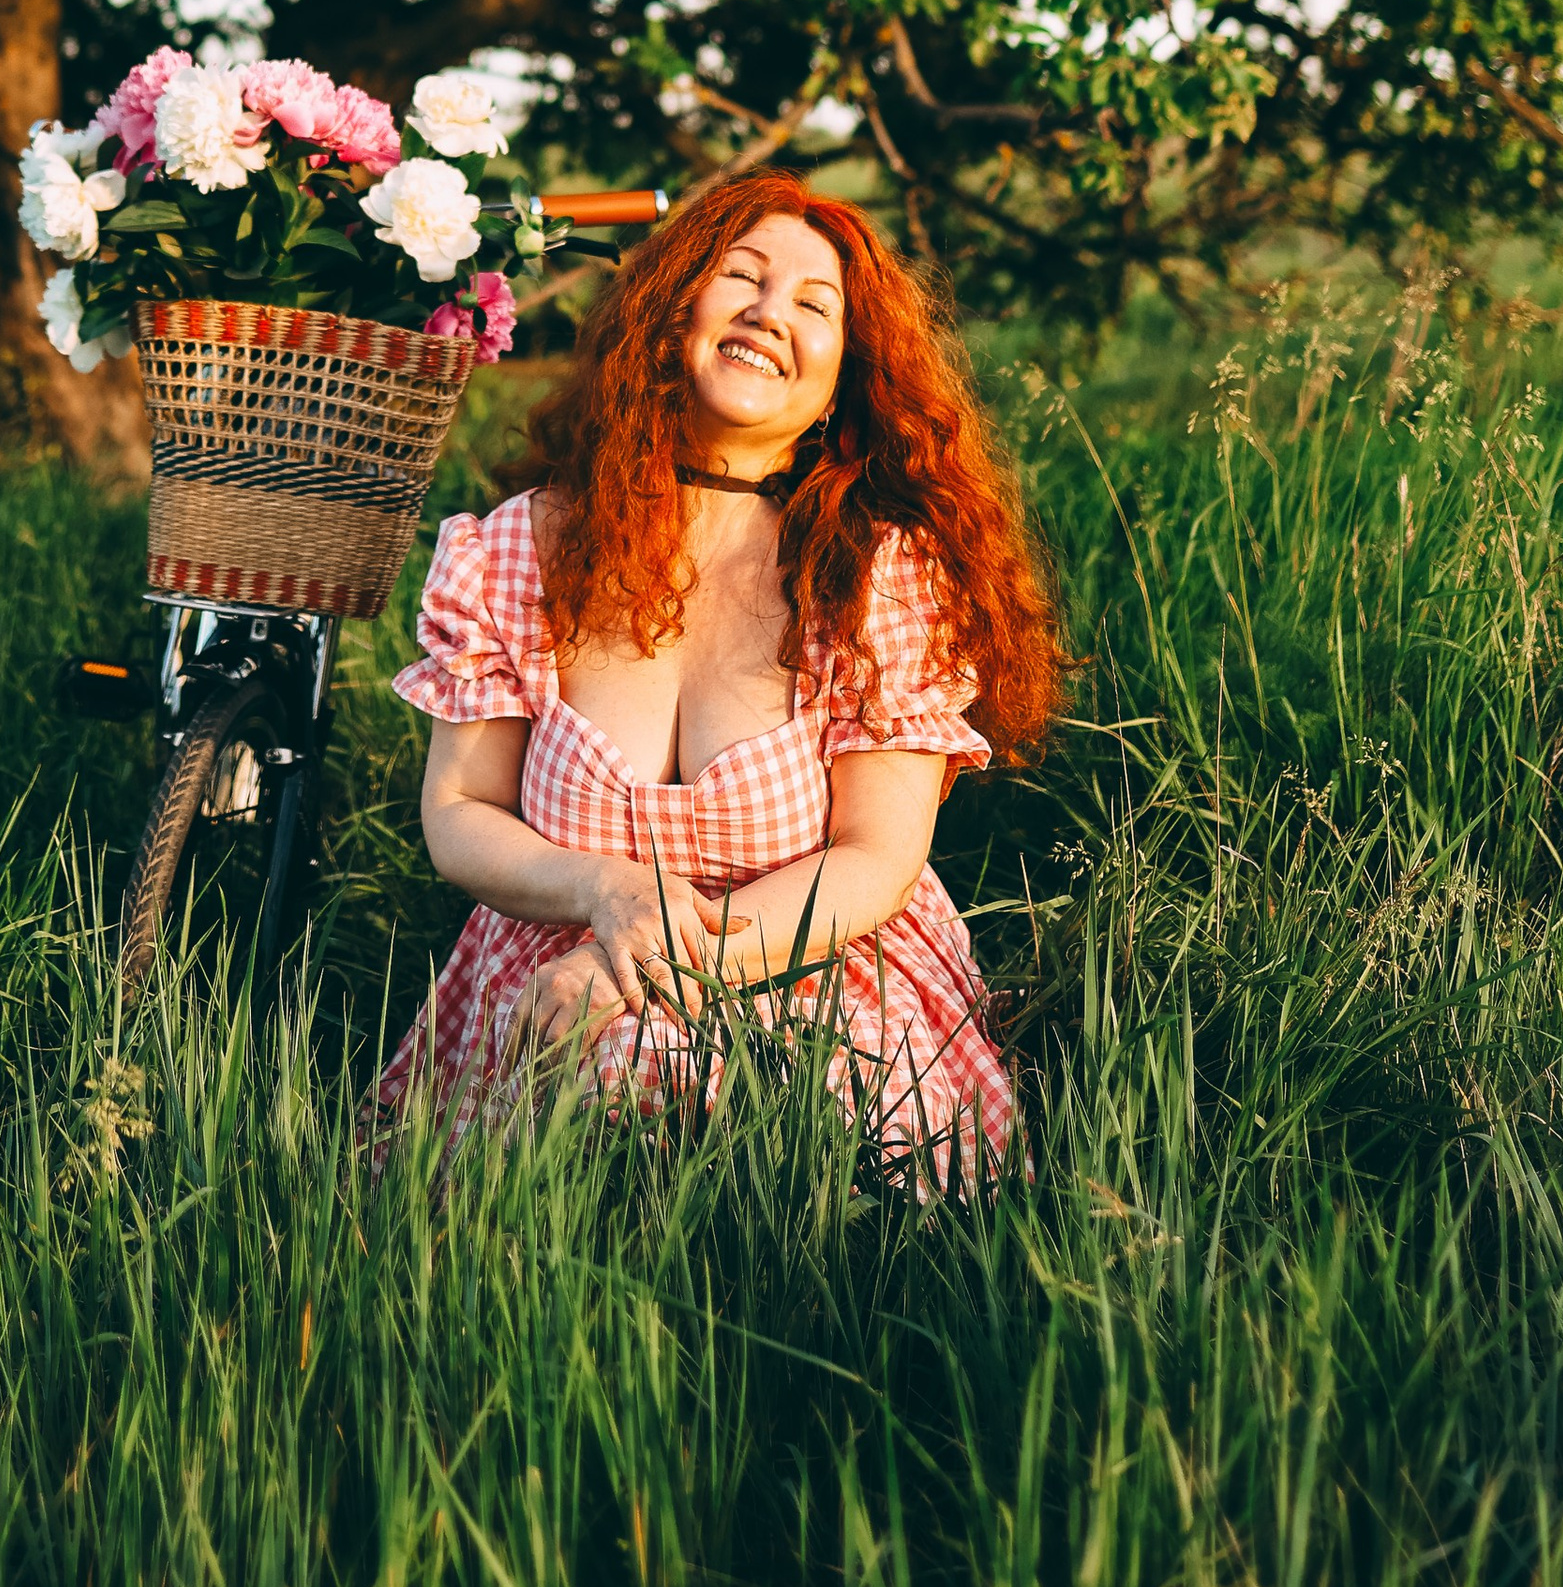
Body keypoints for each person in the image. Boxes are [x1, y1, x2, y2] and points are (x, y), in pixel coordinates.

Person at [374, 172, 1063, 1190]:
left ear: (848, 374)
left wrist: (648, 966)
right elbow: (461, 807)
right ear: (670, 312)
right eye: (739, 276)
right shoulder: (517, 550)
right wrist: (601, 892)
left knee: (781, 1131)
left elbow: (873, 857)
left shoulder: (875, 572)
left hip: (814, 957)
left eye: (812, 304)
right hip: (555, 962)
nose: (766, 312)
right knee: (580, 1112)